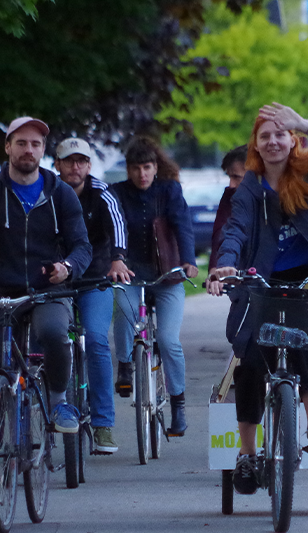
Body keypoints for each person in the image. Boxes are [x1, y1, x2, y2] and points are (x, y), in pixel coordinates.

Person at [0, 117, 92, 506]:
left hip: (48, 291)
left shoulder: (60, 194)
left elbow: (82, 246)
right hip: (3, 293)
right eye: (21, 143)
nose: (29, 150)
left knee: (55, 333)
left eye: (36, 144)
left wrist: (67, 268)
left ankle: (57, 400)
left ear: (44, 151)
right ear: (7, 147)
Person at [207, 103, 308, 495]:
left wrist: (304, 124)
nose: (273, 142)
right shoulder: (250, 187)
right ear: (255, 145)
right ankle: (247, 454)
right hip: (263, 278)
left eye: (280, 135)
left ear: (291, 141)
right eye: (265, 136)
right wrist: (225, 264)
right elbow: (236, 229)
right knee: (251, 358)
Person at [110, 136, 199, 437]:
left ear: (156, 167)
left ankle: (178, 406)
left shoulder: (169, 190)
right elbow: (110, 230)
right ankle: (125, 365)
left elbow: (183, 225)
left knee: (168, 340)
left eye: (147, 167)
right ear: (128, 170)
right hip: (131, 273)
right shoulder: (117, 193)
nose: (142, 174)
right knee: (124, 313)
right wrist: (114, 262)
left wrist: (188, 261)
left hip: (167, 276)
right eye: (136, 168)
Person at [55, 137, 133, 454]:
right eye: (69, 161)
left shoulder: (102, 192)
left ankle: (103, 425)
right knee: (50, 341)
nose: (75, 167)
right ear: (57, 164)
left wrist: (118, 259)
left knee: (97, 340)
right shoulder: (47, 192)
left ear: (88, 166)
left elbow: (118, 224)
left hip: (95, 277)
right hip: (56, 281)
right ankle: (46, 410)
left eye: (81, 161)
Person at [209, 144, 247, 260]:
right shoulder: (229, 195)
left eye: (236, 177)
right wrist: (215, 266)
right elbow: (220, 234)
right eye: (229, 177)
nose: (231, 184)